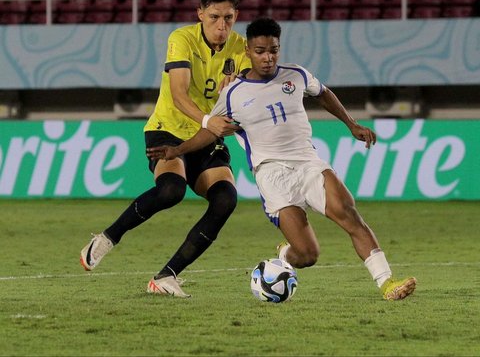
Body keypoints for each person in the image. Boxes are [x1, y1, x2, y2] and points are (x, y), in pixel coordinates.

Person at [149, 17, 417, 301]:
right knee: (308, 254)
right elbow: (211, 131)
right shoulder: (233, 94)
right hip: (272, 175)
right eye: (261, 51)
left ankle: (387, 283)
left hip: (309, 164)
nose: (268, 57)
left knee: (350, 215)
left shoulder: (296, 75)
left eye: (274, 50)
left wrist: (351, 124)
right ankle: (285, 253)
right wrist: (178, 151)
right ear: (248, 52)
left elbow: (324, 93)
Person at [80, 0, 251, 298]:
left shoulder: (241, 48)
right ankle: (108, 237)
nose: (221, 25)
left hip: (206, 135)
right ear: (200, 14)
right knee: (171, 190)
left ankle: (167, 276)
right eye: (214, 16)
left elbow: (248, 93)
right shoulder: (181, 38)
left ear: (236, 16)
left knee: (226, 198)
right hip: (167, 127)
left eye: (228, 17)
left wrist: (241, 84)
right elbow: (178, 92)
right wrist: (208, 120)